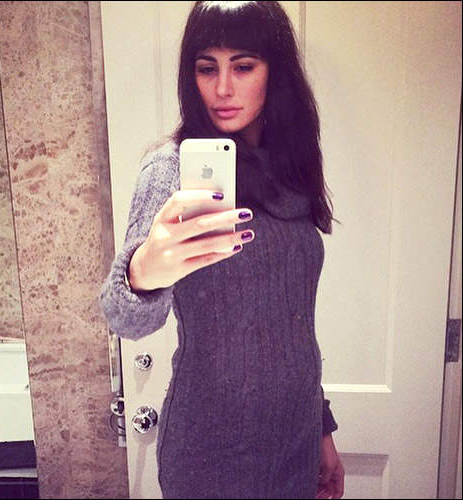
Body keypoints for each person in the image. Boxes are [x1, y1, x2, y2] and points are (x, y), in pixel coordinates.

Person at [100, 1, 345, 499]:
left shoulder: (291, 167)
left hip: (295, 442)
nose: (223, 88)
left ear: (275, 71)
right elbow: (124, 319)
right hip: (209, 455)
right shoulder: (171, 171)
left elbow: (294, 325)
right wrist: (143, 272)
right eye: (207, 68)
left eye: (243, 66)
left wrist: (322, 428)